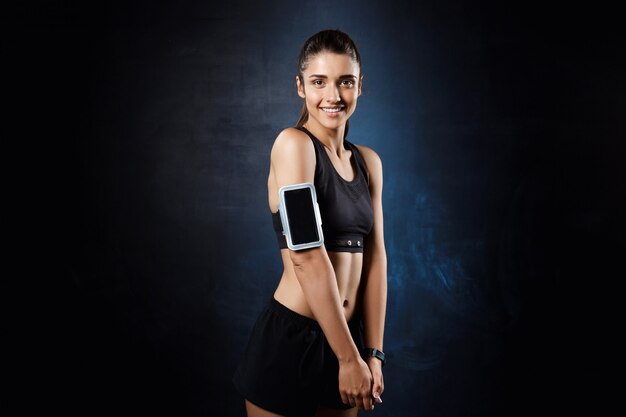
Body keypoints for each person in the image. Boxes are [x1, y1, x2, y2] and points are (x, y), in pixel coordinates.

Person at [233, 29, 387, 417]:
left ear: (360, 86)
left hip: (349, 342)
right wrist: (349, 359)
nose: (333, 96)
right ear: (300, 87)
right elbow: (305, 256)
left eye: (345, 82)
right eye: (319, 82)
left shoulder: (368, 162)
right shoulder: (293, 145)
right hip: (291, 341)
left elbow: (377, 259)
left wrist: (372, 352)